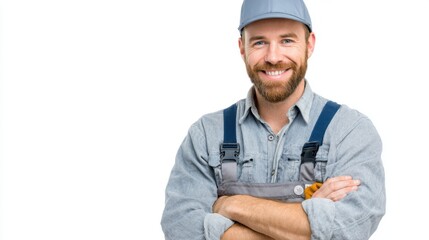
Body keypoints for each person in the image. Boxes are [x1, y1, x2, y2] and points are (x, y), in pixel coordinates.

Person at [161, 0, 386, 239]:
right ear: (242, 48)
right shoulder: (206, 135)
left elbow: (349, 229)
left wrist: (232, 205)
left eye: (287, 40)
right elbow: (180, 227)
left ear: (309, 45)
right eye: (259, 42)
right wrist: (308, 222)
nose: (273, 56)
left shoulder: (349, 131)